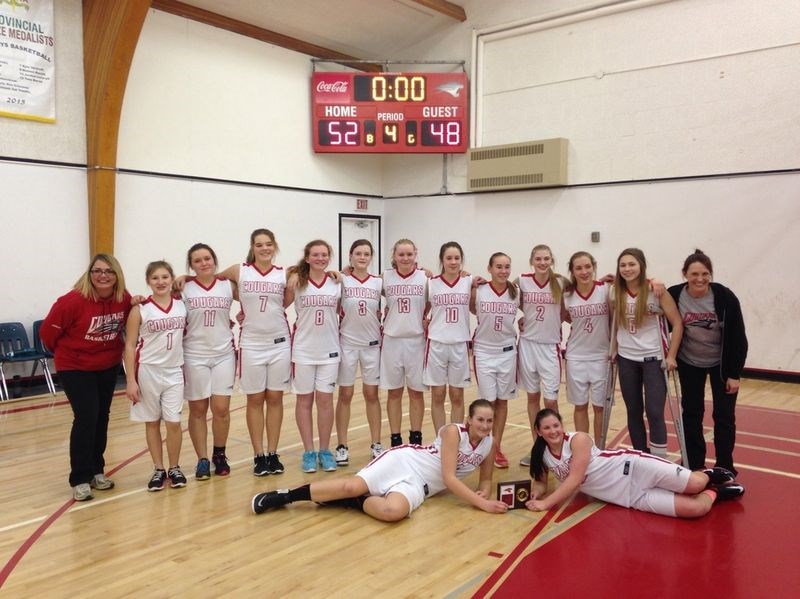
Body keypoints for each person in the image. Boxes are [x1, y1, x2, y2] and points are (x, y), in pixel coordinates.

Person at [251, 399, 509, 521]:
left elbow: (486, 478)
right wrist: (481, 504)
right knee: (353, 484)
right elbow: (450, 477)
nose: (485, 425)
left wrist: (485, 490)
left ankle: (353, 502)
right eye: (480, 419)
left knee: (393, 512)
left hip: (422, 486)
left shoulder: (489, 443)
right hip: (407, 461)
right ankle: (284, 496)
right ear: (469, 420)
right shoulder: (455, 432)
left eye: (489, 421)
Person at [525, 409, 744, 517]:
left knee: (695, 485)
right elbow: (541, 482)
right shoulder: (541, 454)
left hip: (633, 467)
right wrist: (537, 492)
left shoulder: (577, 440)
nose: (553, 431)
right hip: (628, 497)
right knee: (696, 509)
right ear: (538, 431)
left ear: (562, 425)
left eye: (556, 425)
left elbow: (574, 480)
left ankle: (708, 473)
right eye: (547, 428)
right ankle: (716, 492)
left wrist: (545, 504)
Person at [41, 253, 132, 501]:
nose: (103, 275)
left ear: (117, 275)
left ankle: (96, 471)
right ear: (89, 274)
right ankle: (80, 478)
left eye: (108, 271)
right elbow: (47, 335)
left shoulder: (124, 299)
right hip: (75, 366)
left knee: (102, 417)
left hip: (107, 365)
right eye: (97, 271)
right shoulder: (71, 301)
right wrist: (68, 355)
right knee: (86, 417)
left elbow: (139, 315)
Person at [218, 229, 292, 476]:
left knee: (275, 399)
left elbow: (292, 295)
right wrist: (185, 277)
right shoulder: (239, 270)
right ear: (252, 246)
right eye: (259, 244)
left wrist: (340, 273)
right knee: (255, 400)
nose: (264, 248)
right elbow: (208, 280)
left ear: (275, 246)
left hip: (279, 342)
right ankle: (258, 455)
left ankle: (273, 453)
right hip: (251, 343)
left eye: (268, 244)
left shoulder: (284, 274)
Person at [668, 249, 748, 474]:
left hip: (720, 365)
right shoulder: (674, 295)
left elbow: (738, 337)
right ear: (685, 274)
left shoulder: (724, 296)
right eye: (694, 274)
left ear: (710, 274)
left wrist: (734, 374)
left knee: (724, 415)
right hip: (689, 362)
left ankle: (725, 465)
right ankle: (694, 462)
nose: (700, 278)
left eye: (705, 273)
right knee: (691, 412)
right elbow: (648, 295)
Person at [612, 248, 683, 458]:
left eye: (631, 264)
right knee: (633, 411)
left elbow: (677, 323)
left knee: (654, 412)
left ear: (641, 265)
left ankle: (659, 460)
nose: (627, 269)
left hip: (653, 359)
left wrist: (671, 356)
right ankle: (640, 457)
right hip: (627, 359)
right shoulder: (614, 291)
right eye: (623, 265)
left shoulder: (656, 291)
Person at [124, 261, 188, 491]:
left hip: (174, 371)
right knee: (152, 422)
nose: (160, 282)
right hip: (147, 371)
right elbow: (130, 346)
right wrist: (130, 380)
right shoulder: (139, 309)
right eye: (155, 278)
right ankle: (158, 469)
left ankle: (175, 467)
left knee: (174, 422)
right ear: (148, 282)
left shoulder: (183, 305)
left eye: (164, 277)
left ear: (171, 279)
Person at [182, 243, 236, 480]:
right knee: (198, 410)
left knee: (222, 409)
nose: (204, 263)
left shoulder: (227, 285)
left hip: (224, 353)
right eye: (197, 260)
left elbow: (259, 296)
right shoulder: (184, 287)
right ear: (191, 265)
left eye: (207, 258)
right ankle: (202, 459)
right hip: (194, 354)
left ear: (214, 260)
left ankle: (219, 454)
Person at [289, 239, 342, 473]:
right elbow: (274, 303)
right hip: (303, 351)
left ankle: (325, 450)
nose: (320, 258)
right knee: (304, 401)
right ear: (307, 258)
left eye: (324, 255)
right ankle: (309, 451)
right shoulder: (296, 281)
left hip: (330, 350)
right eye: (316, 255)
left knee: (325, 401)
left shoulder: (337, 282)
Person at [334, 239, 384, 466]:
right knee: (345, 395)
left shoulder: (379, 282)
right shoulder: (341, 280)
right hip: (347, 345)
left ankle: (376, 443)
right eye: (358, 253)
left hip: (372, 346)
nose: (362, 257)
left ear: (371, 257)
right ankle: (342, 445)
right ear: (351, 256)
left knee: (371, 395)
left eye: (366, 254)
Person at [517, 244, 567, 466]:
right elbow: (509, 301)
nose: (542, 262)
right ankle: (538, 448)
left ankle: (556, 449)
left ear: (551, 260)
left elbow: (568, 309)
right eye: (538, 259)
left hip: (550, 347)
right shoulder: (521, 281)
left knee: (551, 401)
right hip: (527, 345)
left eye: (546, 259)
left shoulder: (561, 282)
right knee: (532, 398)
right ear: (532, 261)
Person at [470, 252, 520, 468]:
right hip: (484, 351)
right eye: (498, 267)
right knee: (487, 402)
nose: (503, 271)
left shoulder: (516, 292)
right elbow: (470, 309)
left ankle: (495, 446)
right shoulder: (479, 291)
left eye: (507, 267)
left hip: (508, 352)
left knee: (502, 401)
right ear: (489, 268)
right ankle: (480, 445)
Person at [381, 239, 428, 447]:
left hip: (416, 341)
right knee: (394, 392)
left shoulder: (425, 278)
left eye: (409, 254)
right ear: (394, 255)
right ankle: (395, 438)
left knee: (416, 392)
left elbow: (435, 300)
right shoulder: (385, 278)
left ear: (415, 254)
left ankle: (416, 437)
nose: (405, 258)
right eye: (401, 254)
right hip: (392, 341)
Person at [563, 251, 611, 442]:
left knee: (600, 407)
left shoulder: (607, 289)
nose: (584, 272)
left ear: (594, 267)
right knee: (580, 405)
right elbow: (559, 316)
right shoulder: (566, 296)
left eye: (587, 267)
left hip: (602, 357)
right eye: (578, 268)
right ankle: (584, 447)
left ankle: (599, 449)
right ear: (572, 272)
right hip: (576, 357)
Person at [425, 241, 473, 433]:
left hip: (460, 343)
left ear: (462, 260)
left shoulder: (469, 281)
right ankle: (439, 439)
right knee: (437, 395)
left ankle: (456, 437)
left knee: (457, 395)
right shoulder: (430, 283)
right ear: (442, 260)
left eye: (457, 258)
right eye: (449, 258)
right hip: (436, 343)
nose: (453, 262)